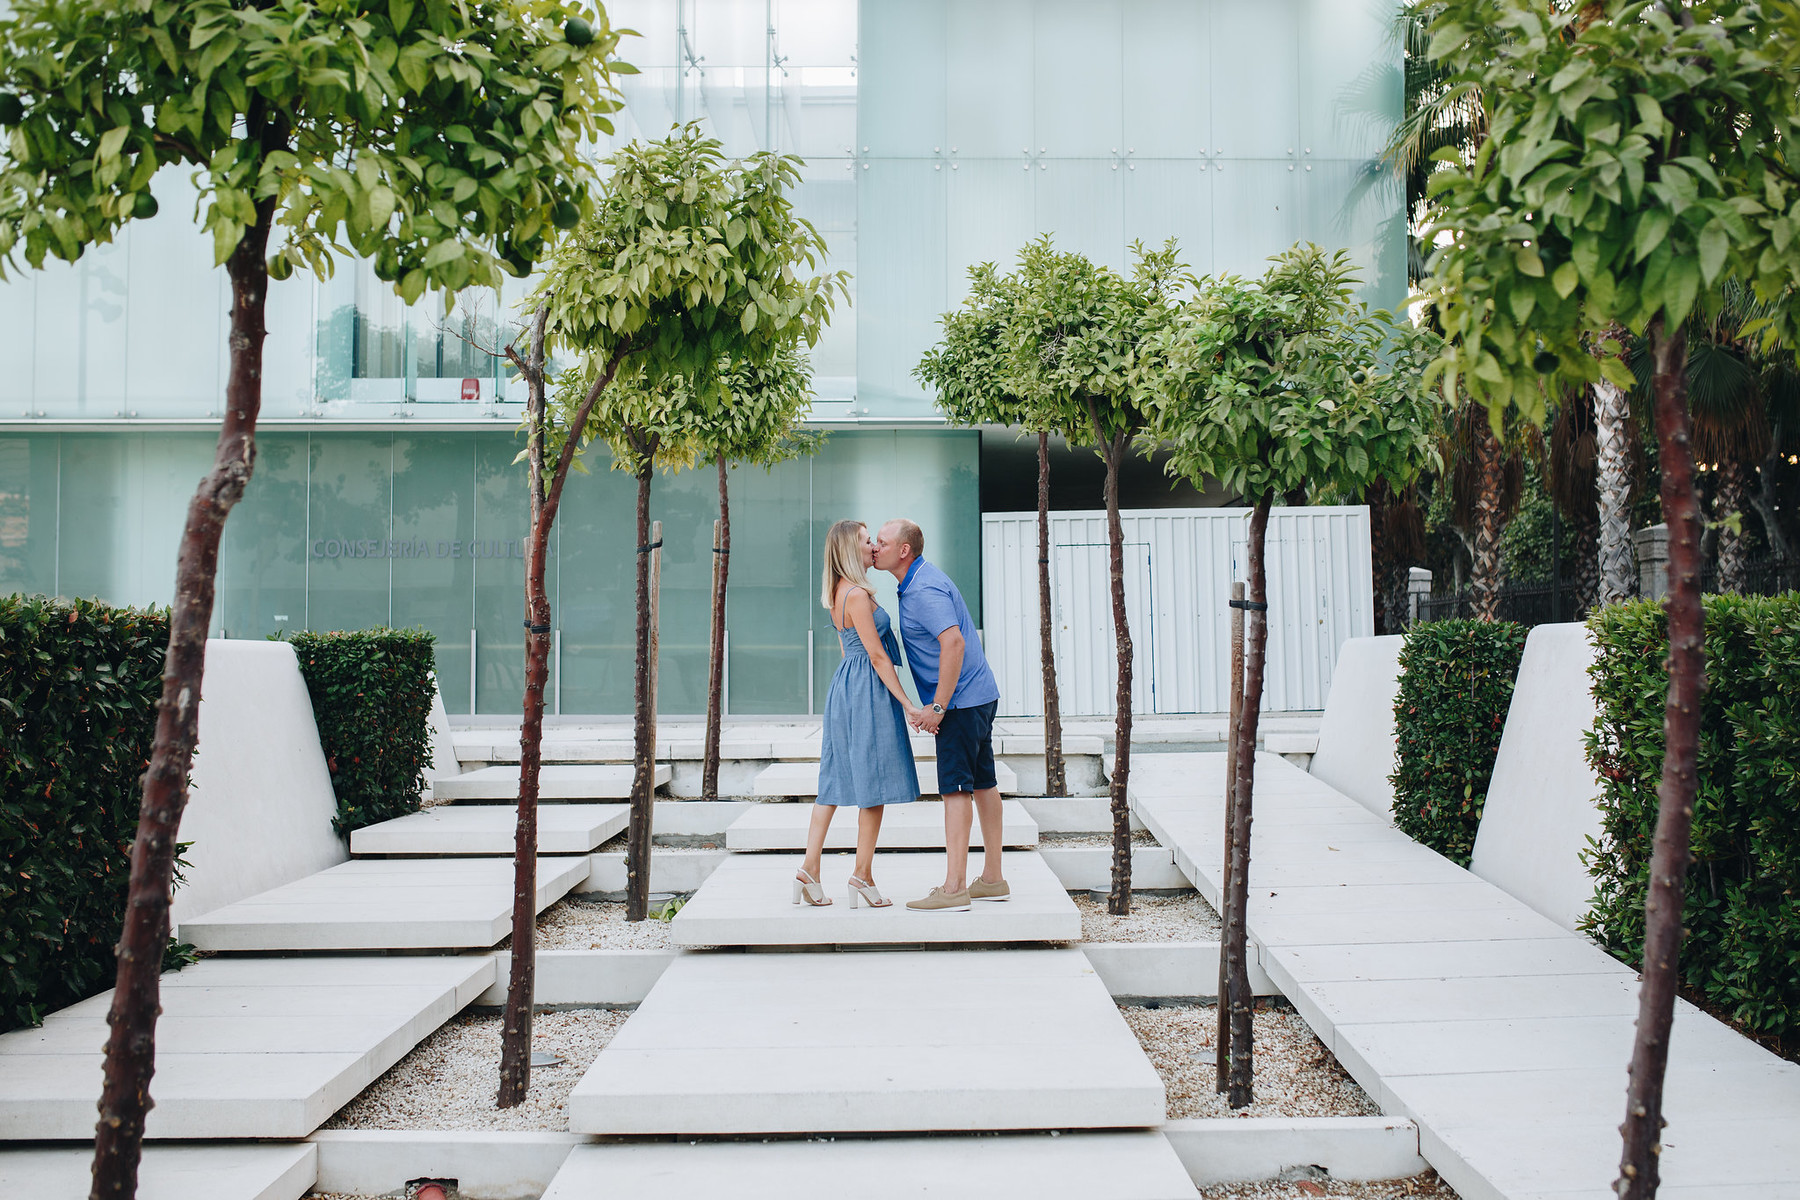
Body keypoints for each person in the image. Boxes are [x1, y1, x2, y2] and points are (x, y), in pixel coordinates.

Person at [873, 518, 1007, 912]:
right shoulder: (918, 580)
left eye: (881, 542)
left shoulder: (923, 589)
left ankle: (954, 888)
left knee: (955, 789)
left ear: (903, 550)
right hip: (978, 696)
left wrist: (937, 707)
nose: (875, 547)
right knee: (984, 783)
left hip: (961, 704)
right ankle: (993, 879)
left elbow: (953, 642)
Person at [797, 519, 923, 909]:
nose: (873, 546)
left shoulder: (841, 591)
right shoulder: (855, 594)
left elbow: (850, 651)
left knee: (833, 780)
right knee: (874, 783)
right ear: (851, 550)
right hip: (866, 688)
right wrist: (907, 704)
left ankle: (810, 869)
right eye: (867, 541)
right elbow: (876, 654)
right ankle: (862, 875)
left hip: (847, 686)